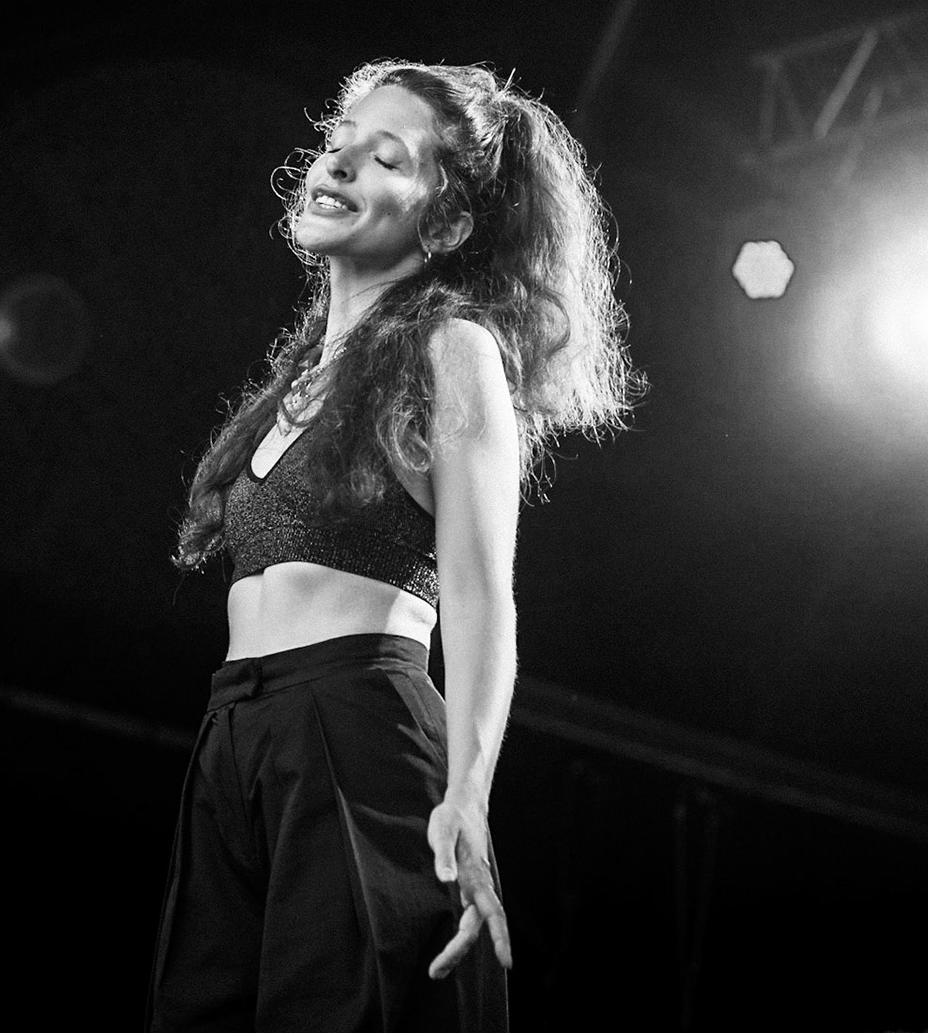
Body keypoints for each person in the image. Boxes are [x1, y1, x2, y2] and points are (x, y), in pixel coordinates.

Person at [148, 61, 640, 1030]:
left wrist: (467, 796)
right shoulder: (299, 377)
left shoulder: (451, 347)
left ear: (446, 223)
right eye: (338, 140)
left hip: (357, 725)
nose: (336, 163)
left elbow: (480, 593)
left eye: (385, 157)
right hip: (237, 736)